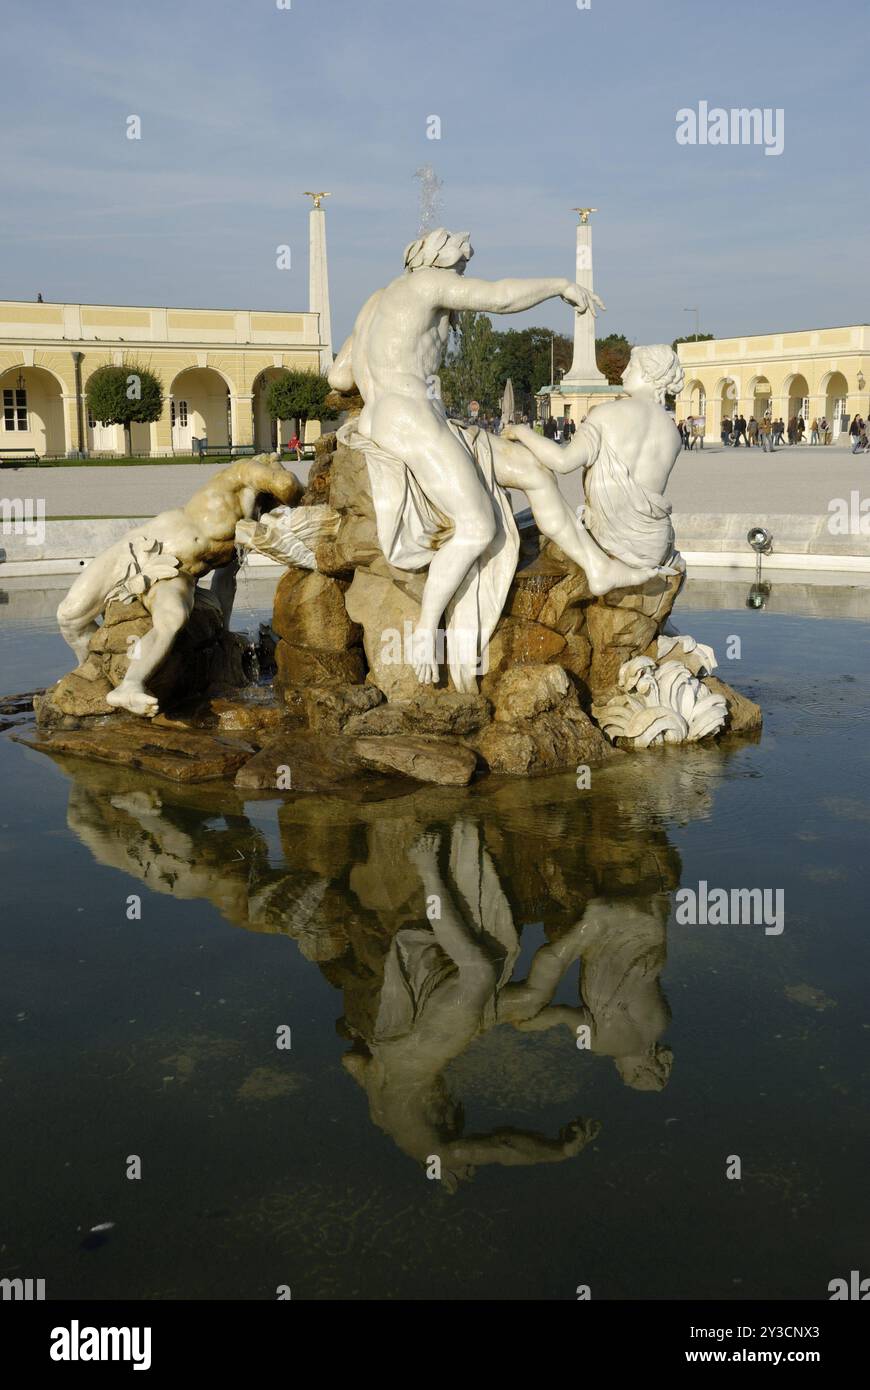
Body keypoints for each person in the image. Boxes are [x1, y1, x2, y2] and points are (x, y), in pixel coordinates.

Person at [327, 226, 602, 685]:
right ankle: (425, 631)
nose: (463, 274)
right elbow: (500, 299)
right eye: (461, 264)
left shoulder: (376, 300)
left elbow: (338, 378)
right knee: (477, 526)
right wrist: (560, 286)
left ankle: (592, 564)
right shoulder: (428, 283)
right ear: (439, 260)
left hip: (383, 419)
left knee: (524, 469)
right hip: (409, 418)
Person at [57, 456, 303, 717]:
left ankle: (130, 685)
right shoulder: (240, 474)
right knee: (69, 617)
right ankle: (90, 671)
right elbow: (287, 485)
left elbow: (225, 580)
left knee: (173, 619)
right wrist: (283, 472)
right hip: (140, 549)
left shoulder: (250, 527)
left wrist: (223, 632)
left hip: (174, 572)